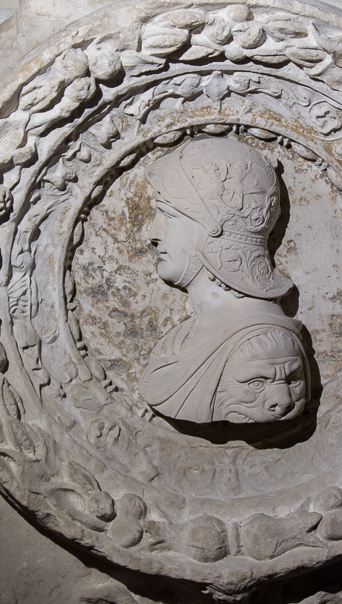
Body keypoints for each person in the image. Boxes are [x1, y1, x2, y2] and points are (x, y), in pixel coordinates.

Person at [137, 137, 312, 425]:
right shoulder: (186, 337)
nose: (153, 234)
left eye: (167, 215)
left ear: (211, 230)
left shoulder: (265, 352)